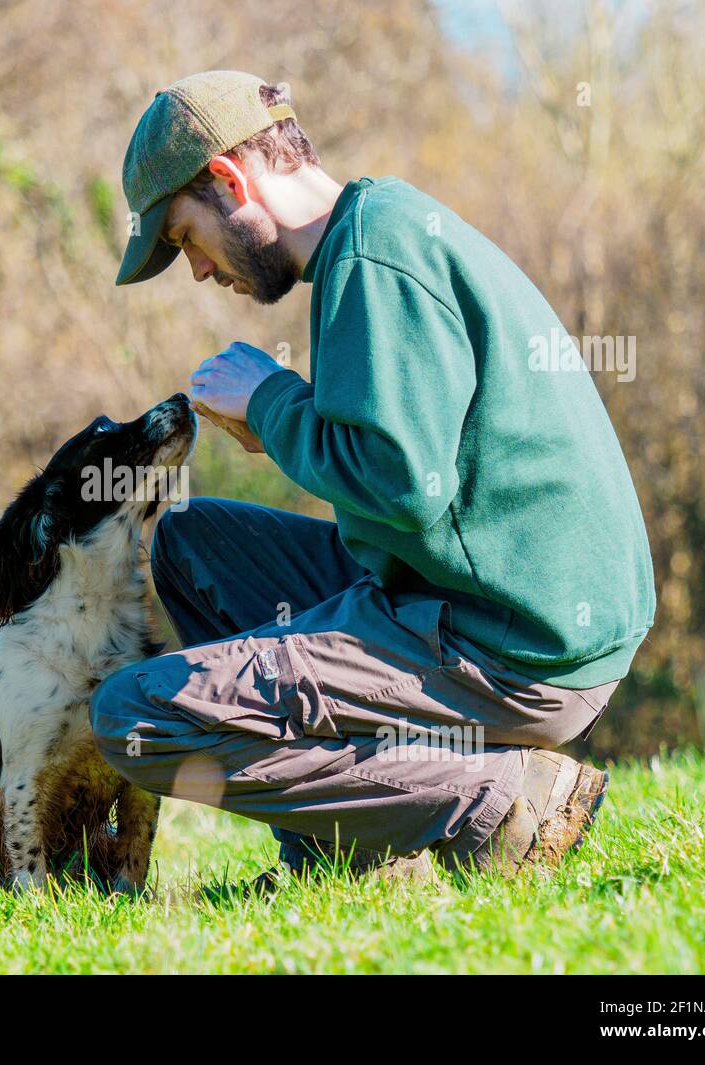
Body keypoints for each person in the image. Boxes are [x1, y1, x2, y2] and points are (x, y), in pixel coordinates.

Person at [90, 71, 656, 883]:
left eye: (184, 239)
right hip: (473, 592)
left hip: (516, 642)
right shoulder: (373, 238)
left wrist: (276, 401)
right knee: (189, 541)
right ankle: (349, 842)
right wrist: (284, 421)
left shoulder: (377, 255)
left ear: (226, 179)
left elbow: (401, 485)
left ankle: (493, 801)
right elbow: (411, 465)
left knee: (134, 715)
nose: (200, 272)